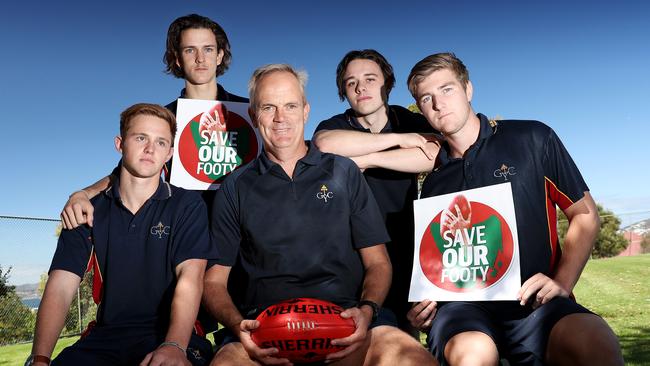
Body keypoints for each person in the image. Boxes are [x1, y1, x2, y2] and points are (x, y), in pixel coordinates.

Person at [202, 64, 436, 366]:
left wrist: (366, 310)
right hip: (262, 332)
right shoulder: (235, 186)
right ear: (253, 115)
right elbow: (213, 282)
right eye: (268, 107)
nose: (280, 117)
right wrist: (239, 327)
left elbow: (378, 262)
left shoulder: (344, 172)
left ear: (305, 111)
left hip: (349, 322)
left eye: (290, 105)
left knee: (415, 360)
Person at [405, 53, 623, 365]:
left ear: (468, 89)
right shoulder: (434, 183)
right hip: (463, 314)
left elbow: (585, 215)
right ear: (422, 109)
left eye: (447, 89)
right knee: (473, 355)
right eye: (426, 98)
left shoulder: (532, 138)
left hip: (535, 304)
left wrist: (562, 281)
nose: (438, 104)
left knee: (594, 340)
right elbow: (437, 263)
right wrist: (424, 307)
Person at [27, 104, 213, 366]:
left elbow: (190, 279)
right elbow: (61, 287)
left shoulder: (187, 205)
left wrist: (173, 346)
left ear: (170, 153)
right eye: (141, 138)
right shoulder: (86, 211)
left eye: (161, 142)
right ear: (120, 144)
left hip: (173, 335)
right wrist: (40, 359)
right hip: (105, 338)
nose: (150, 149)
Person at [60, 13, 247, 229]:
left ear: (219, 56)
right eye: (189, 50)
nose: (200, 58)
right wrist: (84, 193)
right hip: (182, 233)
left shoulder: (248, 113)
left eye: (208, 49)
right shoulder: (162, 119)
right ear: (178, 58)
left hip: (239, 234)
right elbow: (127, 171)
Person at [312, 49, 439, 334]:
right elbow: (324, 143)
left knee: (403, 341)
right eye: (351, 82)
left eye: (370, 78)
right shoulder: (336, 125)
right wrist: (397, 141)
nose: (361, 87)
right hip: (353, 256)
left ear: (387, 84)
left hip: (406, 249)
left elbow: (434, 154)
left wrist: (368, 159)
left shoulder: (409, 120)